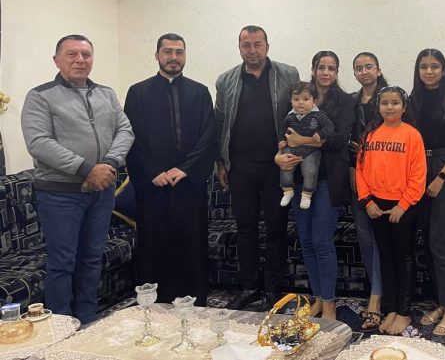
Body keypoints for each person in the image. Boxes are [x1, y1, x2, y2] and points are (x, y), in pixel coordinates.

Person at [21, 34, 134, 324]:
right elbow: (39, 142)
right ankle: (61, 327)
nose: (80, 60)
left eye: (86, 55)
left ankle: (86, 320)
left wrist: (108, 164)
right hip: (60, 195)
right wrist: (86, 169)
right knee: (62, 263)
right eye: (72, 54)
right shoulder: (40, 96)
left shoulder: (106, 94)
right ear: (56, 60)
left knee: (92, 260)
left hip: (102, 191)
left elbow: (125, 130)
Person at [124, 33, 217, 306]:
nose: (173, 57)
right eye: (168, 51)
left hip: (188, 183)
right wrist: (153, 171)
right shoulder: (138, 92)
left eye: (179, 52)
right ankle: (157, 302)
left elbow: (208, 135)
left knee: (191, 241)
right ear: (157, 55)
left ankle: (195, 300)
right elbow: (130, 136)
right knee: (155, 242)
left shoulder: (200, 92)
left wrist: (185, 169)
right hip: (153, 184)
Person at [215, 25, 299, 311]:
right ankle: (249, 287)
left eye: (257, 44)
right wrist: (220, 162)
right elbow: (220, 122)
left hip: (277, 165)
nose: (252, 50)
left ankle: (274, 289)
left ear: (267, 46)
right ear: (240, 48)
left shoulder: (288, 74)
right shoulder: (226, 80)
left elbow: (298, 114)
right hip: (240, 165)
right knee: (245, 228)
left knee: (276, 228)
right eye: (246, 45)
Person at [276, 51, 354, 320]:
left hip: (328, 180)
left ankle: (330, 303)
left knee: (321, 240)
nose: (326, 72)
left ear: (337, 72)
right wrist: (280, 154)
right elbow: (283, 133)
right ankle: (318, 298)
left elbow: (339, 140)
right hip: (298, 179)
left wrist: (303, 141)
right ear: (313, 69)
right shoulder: (298, 96)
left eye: (332, 68)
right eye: (321, 67)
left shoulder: (344, 101)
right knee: (306, 241)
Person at [407, 49, 445, 336]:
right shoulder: (412, 100)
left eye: (435, 66)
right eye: (424, 66)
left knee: (441, 240)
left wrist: (441, 177)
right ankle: (441, 303)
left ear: (443, 70)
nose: (429, 71)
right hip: (418, 167)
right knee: (428, 240)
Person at [356, 86, 426, 335]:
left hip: (402, 207)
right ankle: (391, 309)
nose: (390, 107)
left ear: (404, 107)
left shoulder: (412, 135)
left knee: (403, 257)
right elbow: (360, 170)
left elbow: (418, 175)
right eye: (385, 103)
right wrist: (367, 201)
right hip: (376, 205)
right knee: (385, 257)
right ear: (378, 107)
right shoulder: (370, 135)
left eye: (395, 103)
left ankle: (404, 312)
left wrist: (403, 205)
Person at [349, 52, 389, 331]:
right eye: (359, 68)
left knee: (380, 237)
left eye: (369, 67)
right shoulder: (350, 102)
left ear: (378, 70)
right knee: (364, 236)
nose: (364, 72)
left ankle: (376, 298)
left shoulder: (389, 98)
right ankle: (377, 289)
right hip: (357, 174)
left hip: (385, 176)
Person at [278, 81, 335, 210]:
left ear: (314, 101)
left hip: (311, 150)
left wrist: (320, 134)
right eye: (296, 99)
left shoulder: (319, 115)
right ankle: (287, 191)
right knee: (286, 167)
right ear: (291, 101)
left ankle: (307, 194)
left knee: (310, 171)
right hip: (291, 149)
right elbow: (282, 130)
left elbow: (330, 127)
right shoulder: (289, 116)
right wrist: (281, 140)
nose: (301, 103)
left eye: (305, 99)